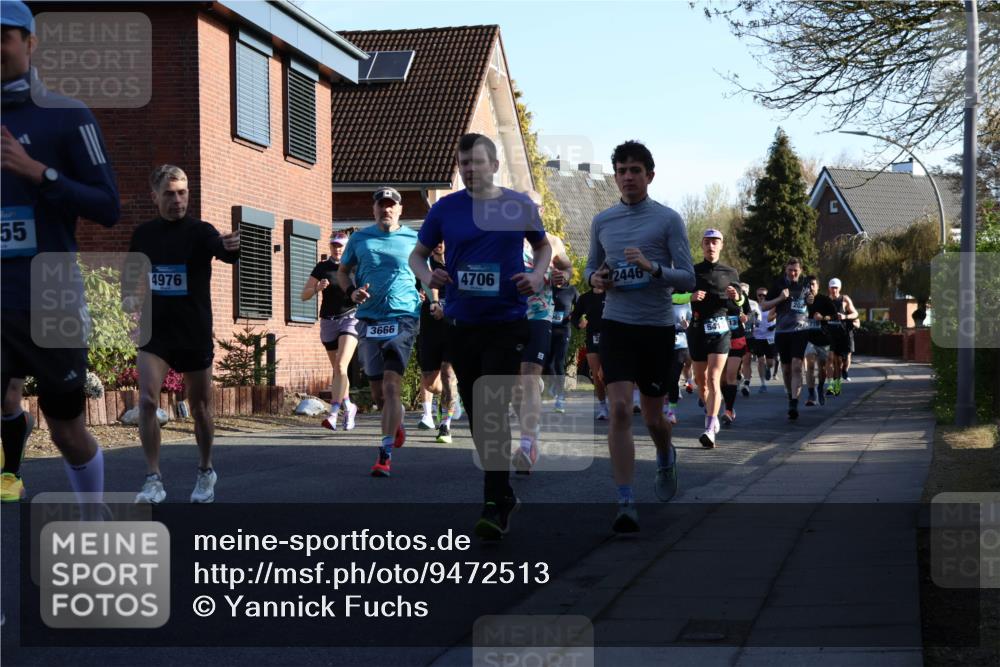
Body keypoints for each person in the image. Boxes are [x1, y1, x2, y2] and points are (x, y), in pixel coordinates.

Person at [1, 0, 120, 504]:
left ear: (30, 43)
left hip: (51, 298)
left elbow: (108, 206)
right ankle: (11, 463)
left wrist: (39, 173)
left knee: (67, 429)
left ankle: (93, 519)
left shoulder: (67, 116)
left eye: (3, 36)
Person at [409, 133, 550, 541]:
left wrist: (538, 275)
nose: (469, 169)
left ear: (494, 165)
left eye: (476, 162)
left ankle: (492, 502)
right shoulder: (445, 209)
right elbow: (417, 255)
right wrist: (427, 276)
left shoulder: (517, 205)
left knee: (491, 404)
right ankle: (503, 492)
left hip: (507, 323)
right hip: (462, 323)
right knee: (477, 412)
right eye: (463, 163)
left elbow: (541, 247)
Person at [585, 140, 695, 533]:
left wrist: (652, 268)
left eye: (635, 170)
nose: (627, 177)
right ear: (614, 176)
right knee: (617, 409)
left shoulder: (668, 220)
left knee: (652, 416)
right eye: (621, 170)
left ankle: (666, 455)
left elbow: (688, 277)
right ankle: (625, 500)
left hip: (656, 327)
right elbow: (589, 271)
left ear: (650, 175)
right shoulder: (603, 221)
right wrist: (596, 279)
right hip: (616, 324)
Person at [127, 165, 239, 504]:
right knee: (147, 401)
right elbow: (130, 278)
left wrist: (231, 246)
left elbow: (224, 251)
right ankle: (153, 479)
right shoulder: (144, 235)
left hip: (193, 332)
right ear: (155, 196)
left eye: (183, 193)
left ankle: (206, 470)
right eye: (170, 194)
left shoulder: (200, 231)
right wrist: (130, 305)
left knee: (201, 409)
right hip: (156, 333)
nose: (177, 200)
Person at [338, 187, 421, 478]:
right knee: (379, 394)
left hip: (403, 318)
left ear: (400, 210)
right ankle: (394, 422)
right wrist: (352, 291)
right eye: (381, 205)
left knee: (390, 386)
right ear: (374, 210)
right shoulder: (360, 238)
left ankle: (384, 454)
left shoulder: (414, 238)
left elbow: (426, 269)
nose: (386, 209)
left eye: (391, 205)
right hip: (370, 320)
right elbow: (342, 271)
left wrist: (430, 296)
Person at [514, 207, 573, 474]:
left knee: (527, 380)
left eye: (536, 208)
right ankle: (531, 428)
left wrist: (564, 276)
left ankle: (526, 445)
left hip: (539, 316)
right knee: (515, 387)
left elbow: (567, 268)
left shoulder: (552, 240)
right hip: (508, 317)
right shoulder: (505, 237)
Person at [687, 229, 742, 447]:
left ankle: (710, 428)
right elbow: (673, 296)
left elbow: (739, 302)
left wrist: (736, 297)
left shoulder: (730, 272)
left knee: (713, 377)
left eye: (715, 242)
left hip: (720, 329)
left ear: (721, 245)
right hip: (698, 328)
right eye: (707, 242)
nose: (711, 246)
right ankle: (711, 409)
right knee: (701, 380)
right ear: (702, 245)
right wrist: (689, 296)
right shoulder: (692, 272)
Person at [305, 232, 359, 432]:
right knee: (338, 371)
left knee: (341, 365)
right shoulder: (322, 268)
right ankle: (349, 406)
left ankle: (334, 413)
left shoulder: (355, 267)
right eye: (334, 245)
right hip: (328, 321)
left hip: (350, 318)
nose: (337, 249)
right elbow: (304, 295)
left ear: (347, 248)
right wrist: (317, 288)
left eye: (341, 246)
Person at [416, 241, 460, 443]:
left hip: (453, 322)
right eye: (435, 240)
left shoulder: (458, 263)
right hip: (430, 323)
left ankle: (445, 425)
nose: (439, 244)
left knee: (448, 373)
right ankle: (451, 395)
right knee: (431, 383)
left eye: (443, 240)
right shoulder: (422, 265)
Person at [760, 257, 813, 420]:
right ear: (786, 270)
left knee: (797, 365)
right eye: (790, 270)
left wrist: (812, 300)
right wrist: (780, 298)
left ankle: (794, 403)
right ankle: (790, 395)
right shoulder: (778, 285)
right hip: (782, 332)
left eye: (796, 270)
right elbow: (764, 306)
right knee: (786, 368)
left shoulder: (805, 285)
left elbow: (812, 303)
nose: (793, 273)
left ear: (800, 270)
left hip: (800, 330)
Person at [571, 287, 607, 420]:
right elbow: (575, 315)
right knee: (597, 375)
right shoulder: (585, 298)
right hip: (593, 338)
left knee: (608, 374)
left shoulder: (612, 294)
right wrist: (579, 323)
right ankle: (603, 407)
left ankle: (618, 405)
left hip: (611, 337)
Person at [720, 279, 751, 425]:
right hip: (720, 339)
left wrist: (746, 317)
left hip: (737, 338)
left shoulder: (740, 294)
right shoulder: (718, 294)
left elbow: (748, 312)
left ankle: (728, 410)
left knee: (731, 374)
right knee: (722, 379)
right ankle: (728, 405)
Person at [803, 275, 836, 407]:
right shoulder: (802, 300)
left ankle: (820, 388)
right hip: (808, 338)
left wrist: (823, 317)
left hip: (823, 339)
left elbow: (834, 315)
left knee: (822, 368)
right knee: (810, 365)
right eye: (808, 285)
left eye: (813, 284)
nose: (811, 287)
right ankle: (811, 394)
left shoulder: (824, 299)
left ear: (818, 286)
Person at [546, 281, 578, 413]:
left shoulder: (571, 290)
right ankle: (554, 384)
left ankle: (560, 399)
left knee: (559, 362)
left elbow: (581, 306)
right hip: (548, 330)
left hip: (563, 331)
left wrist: (573, 316)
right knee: (547, 364)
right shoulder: (548, 289)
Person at [826, 278, 858, 396]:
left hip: (843, 335)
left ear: (839, 288)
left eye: (836, 287)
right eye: (832, 287)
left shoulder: (844, 299)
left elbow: (855, 313)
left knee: (841, 362)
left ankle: (839, 382)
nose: (834, 290)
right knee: (833, 361)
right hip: (830, 335)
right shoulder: (826, 301)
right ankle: (833, 387)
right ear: (829, 288)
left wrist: (845, 317)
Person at [665, 292, 693, 425]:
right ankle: (664, 404)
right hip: (662, 343)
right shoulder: (660, 301)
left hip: (680, 343)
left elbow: (692, 321)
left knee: (674, 377)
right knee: (663, 377)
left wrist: (688, 325)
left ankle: (671, 411)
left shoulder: (686, 303)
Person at [749, 286, 778, 393]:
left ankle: (768, 368)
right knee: (760, 360)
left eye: (764, 295)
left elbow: (780, 317)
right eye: (759, 295)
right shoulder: (753, 306)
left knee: (770, 362)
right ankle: (763, 384)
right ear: (756, 296)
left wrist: (774, 326)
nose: (761, 297)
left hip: (770, 337)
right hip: (757, 337)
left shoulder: (772, 306)